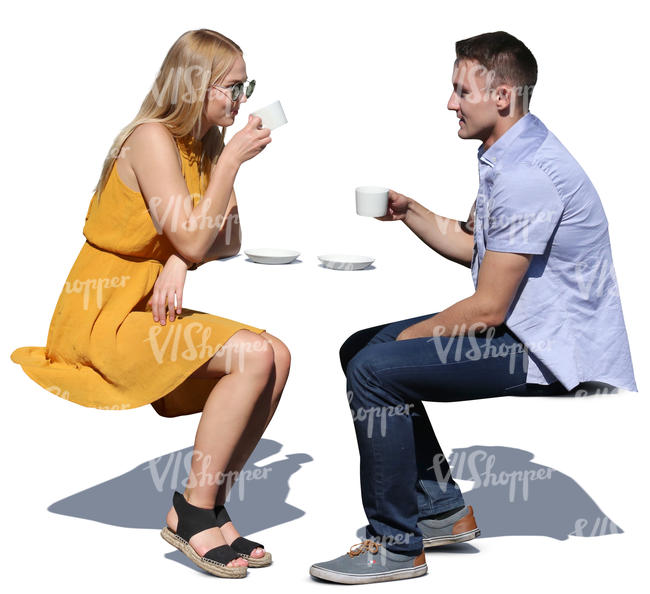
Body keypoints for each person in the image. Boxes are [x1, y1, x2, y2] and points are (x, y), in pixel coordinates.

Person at [309, 30, 636, 585]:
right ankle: (440, 510)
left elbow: (486, 308)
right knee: (361, 349)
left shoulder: (526, 175)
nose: (450, 103)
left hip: (546, 351)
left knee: (375, 371)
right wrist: (411, 212)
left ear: (502, 96)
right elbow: (474, 244)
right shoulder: (512, 150)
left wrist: (410, 344)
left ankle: (395, 546)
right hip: (523, 328)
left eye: (462, 91)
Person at [10, 28, 291, 579]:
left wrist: (183, 258)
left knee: (277, 354)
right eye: (233, 87)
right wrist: (227, 170)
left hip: (147, 309)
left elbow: (223, 241)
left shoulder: (205, 144)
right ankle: (191, 514)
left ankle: (207, 505)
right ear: (196, 85)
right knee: (252, 355)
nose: (242, 98)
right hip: (104, 314)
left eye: (245, 86)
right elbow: (193, 236)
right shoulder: (151, 139)